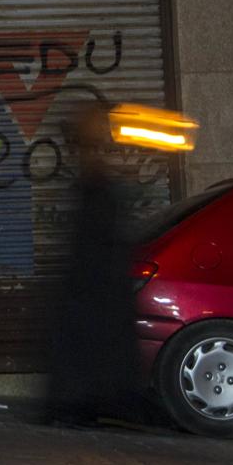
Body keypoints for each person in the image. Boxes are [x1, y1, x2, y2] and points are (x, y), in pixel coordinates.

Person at [41, 101, 144, 428]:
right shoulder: (93, 183)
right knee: (92, 349)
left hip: (92, 287)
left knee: (87, 350)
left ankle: (81, 405)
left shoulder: (93, 180)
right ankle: (83, 405)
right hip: (94, 287)